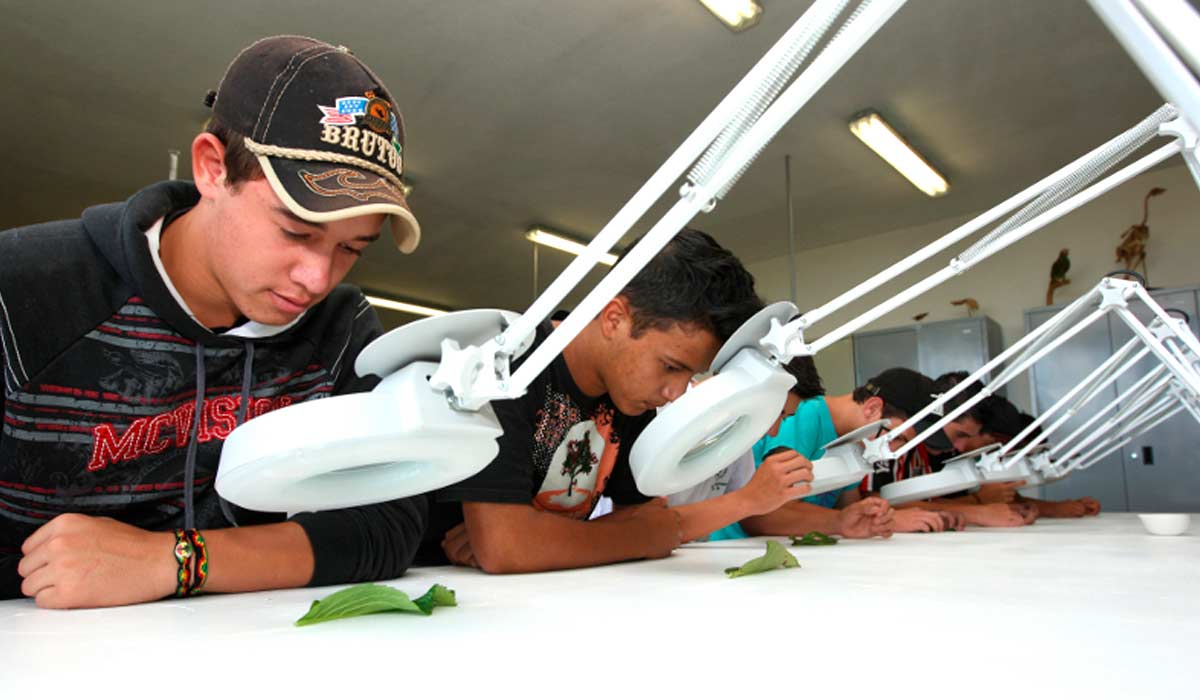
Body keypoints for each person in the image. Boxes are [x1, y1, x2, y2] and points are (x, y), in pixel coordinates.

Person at [1, 36, 427, 608]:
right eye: (297, 232)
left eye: (352, 247)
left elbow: (386, 526)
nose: (317, 278)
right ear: (211, 168)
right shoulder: (24, 290)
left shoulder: (339, 331)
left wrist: (175, 560)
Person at [421, 228, 764, 573]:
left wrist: (533, 538)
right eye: (670, 367)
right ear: (615, 318)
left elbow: (645, 516)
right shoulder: (505, 365)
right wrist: (639, 539)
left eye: (690, 375)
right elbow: (506, 547)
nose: (674, 392)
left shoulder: (627, 397)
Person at [759, 368, 1032, 531]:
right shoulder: (802, 417)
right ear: (873, 408)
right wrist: (842, 522)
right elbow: (766, 515)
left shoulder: (855, 443)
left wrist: (888, 518)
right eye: (899, 439)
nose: (898, 452)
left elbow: (852, 509)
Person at [667, 356, 895, 541]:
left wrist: (841, 522)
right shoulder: (669, 414)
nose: (774, 432)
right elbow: (651, 525)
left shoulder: (740, 445)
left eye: (785, 417)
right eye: (778, 413)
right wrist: (749, 499)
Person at [928, 372, 1100, 518]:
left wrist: (1052, 508)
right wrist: (978, 501)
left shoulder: (961, 455)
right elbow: (911, 505)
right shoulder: (938, 452)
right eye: (993, 446)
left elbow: (1002, 497)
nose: (997, 456)